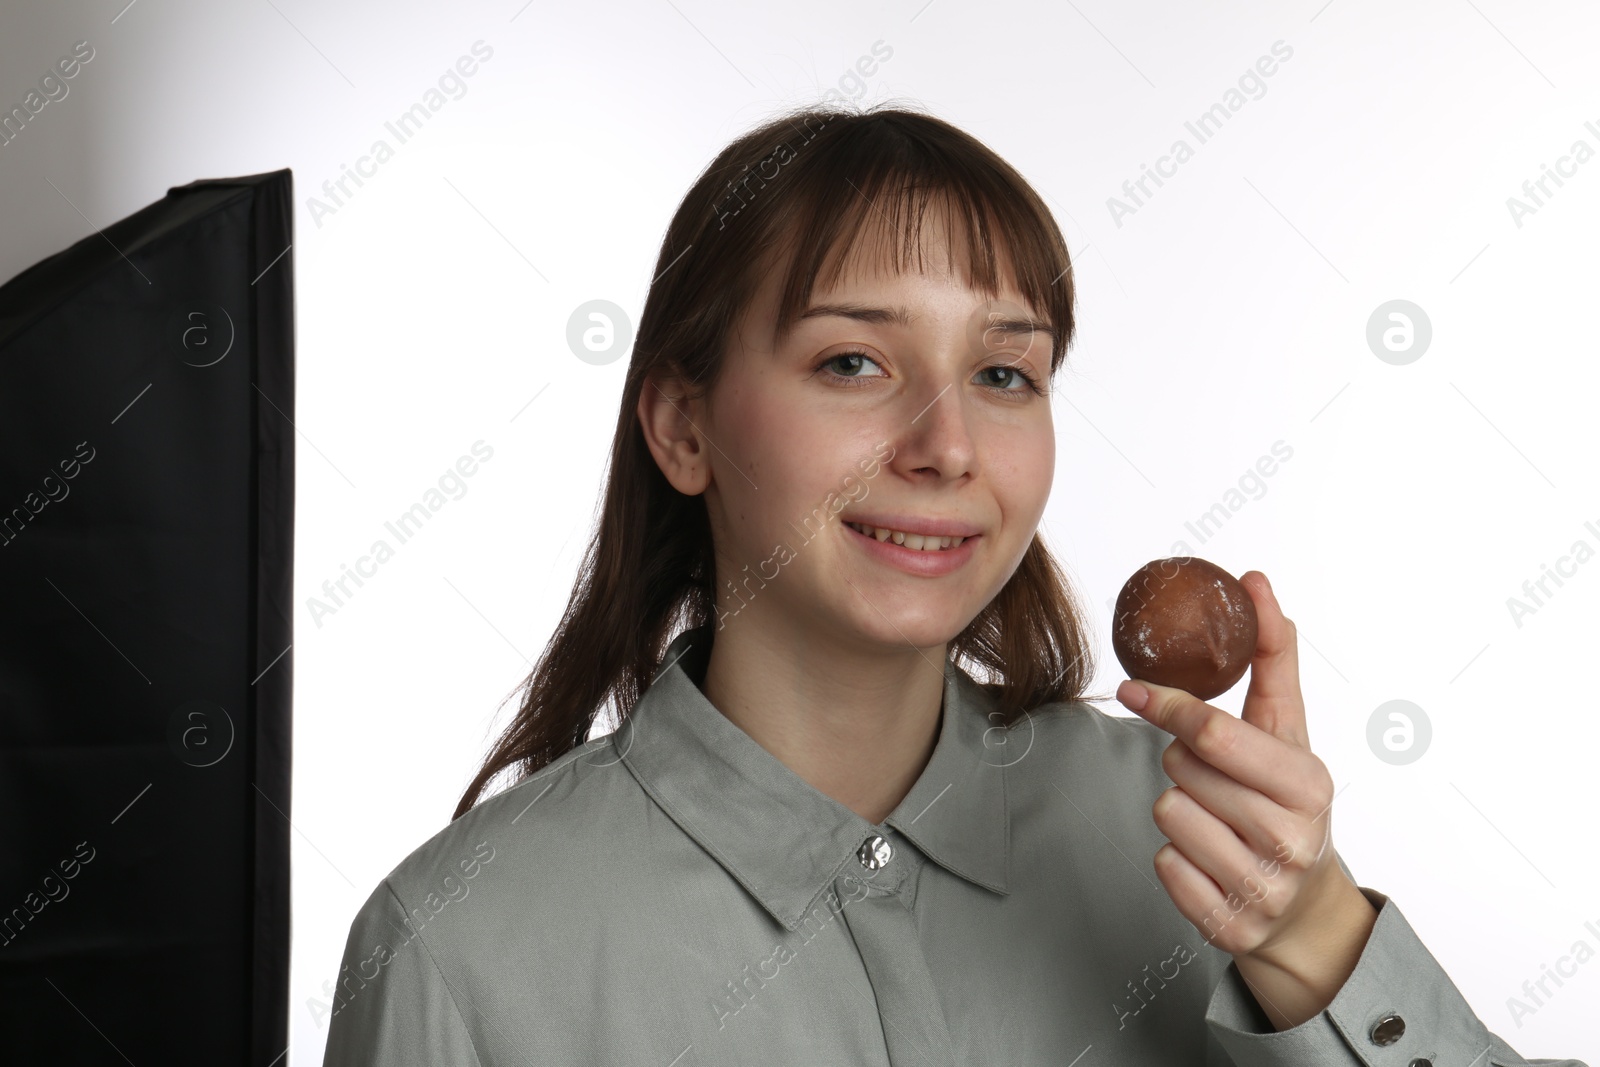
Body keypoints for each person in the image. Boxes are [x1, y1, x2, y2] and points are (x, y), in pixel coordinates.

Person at [319, 103, 1590, 1066]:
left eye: (1003, 374)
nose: (945, 446)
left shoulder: (1192, 835)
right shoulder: (456, 951)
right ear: (683, 424)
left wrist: (1315, 936)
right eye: (853, 361)